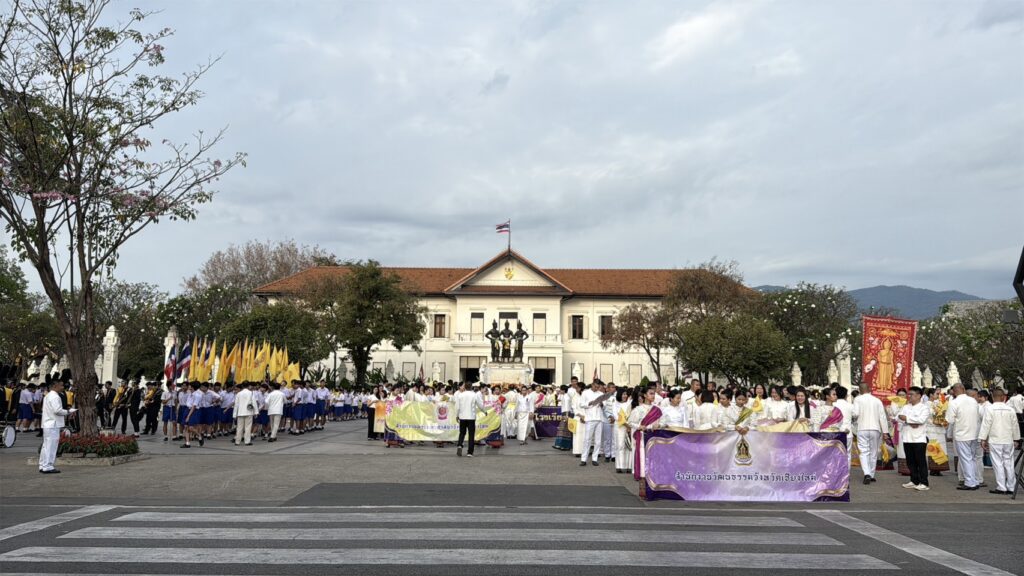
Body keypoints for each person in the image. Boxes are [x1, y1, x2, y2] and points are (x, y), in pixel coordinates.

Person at [978, 389, 1020, 495]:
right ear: (1003, 397)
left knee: (998, 464)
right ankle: (1011, 486)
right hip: (1008, 440)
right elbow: (1015, 425)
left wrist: (982, 439)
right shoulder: (1010, 409)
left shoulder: (990, 409)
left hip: (995, 439)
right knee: (1009, 463)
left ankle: (1001, 486)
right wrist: (1016, 438)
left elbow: (986, 424)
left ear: (992, 397)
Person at [852, 382, 890, 484]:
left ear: (859, 390)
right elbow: (882, 417)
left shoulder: (857, 399)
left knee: (864, 452)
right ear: (869, 389)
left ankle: (867, 473)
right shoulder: (877, 400)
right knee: (874, 452)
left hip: (862, 428)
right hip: (875, 429)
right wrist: (885, 432)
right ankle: (872, 474)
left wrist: (851, 413)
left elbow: (855, 414)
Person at [946, 383, 982, 490]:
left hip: (962, 434)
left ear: (954, 392)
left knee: (965, 459)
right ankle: (975, 480)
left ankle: (970, 482)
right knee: (972, 458)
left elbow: (950, 419)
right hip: (974, 433)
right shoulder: (973, 400)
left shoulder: (954, 402)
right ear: (964, 389)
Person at [39, 377, 75, 474]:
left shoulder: (48, 395)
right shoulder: (55, 396)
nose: (63, 387)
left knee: (46, 446)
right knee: (51, 446)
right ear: (55, 386)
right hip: (53, 424)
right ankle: (48, 466)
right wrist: (68, 411)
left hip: (48, 423)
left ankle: (43, 465)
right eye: (61, 385)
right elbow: (57, 410)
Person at [897, 386, 930, 491]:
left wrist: (907, 419)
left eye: (911, 394)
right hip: (907, 437)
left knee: (920, 461)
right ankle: (914, 480)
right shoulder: (906, 407)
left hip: (919, 438)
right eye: (909, 394)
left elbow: (921, 420)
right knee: (910, 461)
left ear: (919, 395)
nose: (909, 396)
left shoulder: (924, 407)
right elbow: (898, 417)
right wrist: (911, 421)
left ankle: (924, 482)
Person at [579, 380, 607, 466]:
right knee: (587, 439)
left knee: (598, 440)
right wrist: (589, 403)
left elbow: (604, 406)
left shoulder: (601, 394)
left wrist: (602, 404)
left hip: (599, 418)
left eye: (598, 387)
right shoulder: (585, 392)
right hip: (590, 418)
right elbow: (581, 404)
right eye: (595, 386)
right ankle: (583, 459)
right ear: (592, 385)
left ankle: (595, 458)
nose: (596, 388)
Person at [454, 383, 485, 457]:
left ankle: (460, 445)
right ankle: (470, 452)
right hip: (471, 417)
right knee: (471, 434)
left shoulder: (460, 395)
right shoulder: (474, 395)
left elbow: (457, 407)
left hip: (462, 416)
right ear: (471, 387)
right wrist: (484, 411)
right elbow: (480, 405)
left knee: (462, 433)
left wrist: (457, 415)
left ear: (465, 387)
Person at [233, 382, 259, 446]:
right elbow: (254, 403)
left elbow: (236, 405)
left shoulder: (238, 394)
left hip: (240, 412)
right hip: (248, 412)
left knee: (239, 427)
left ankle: (237, 441)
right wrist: (256, 412)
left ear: (242, 386)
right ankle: (247, 441)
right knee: (248, 427)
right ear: (248, 386)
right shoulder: (250, 393)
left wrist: (234, 414)